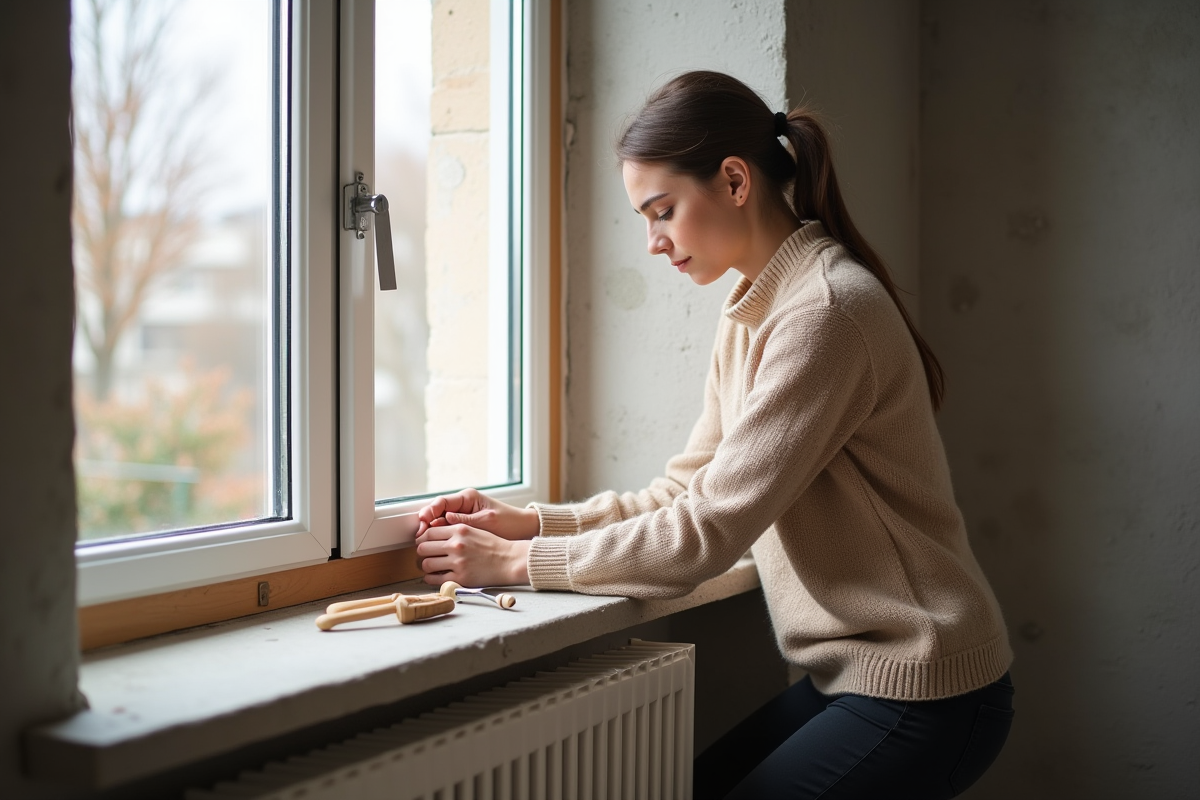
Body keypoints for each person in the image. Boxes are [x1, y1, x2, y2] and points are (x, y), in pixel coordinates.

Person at [414, 70, 1014, 799]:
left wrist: (516, 563)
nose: (653, 243)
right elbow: (686, 489)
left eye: (661, 211)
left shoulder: (825, 312)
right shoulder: (754, 308)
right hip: (859, 675)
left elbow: (707, 533)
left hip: (927, 686)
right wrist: (534, 520)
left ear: (734, 181)